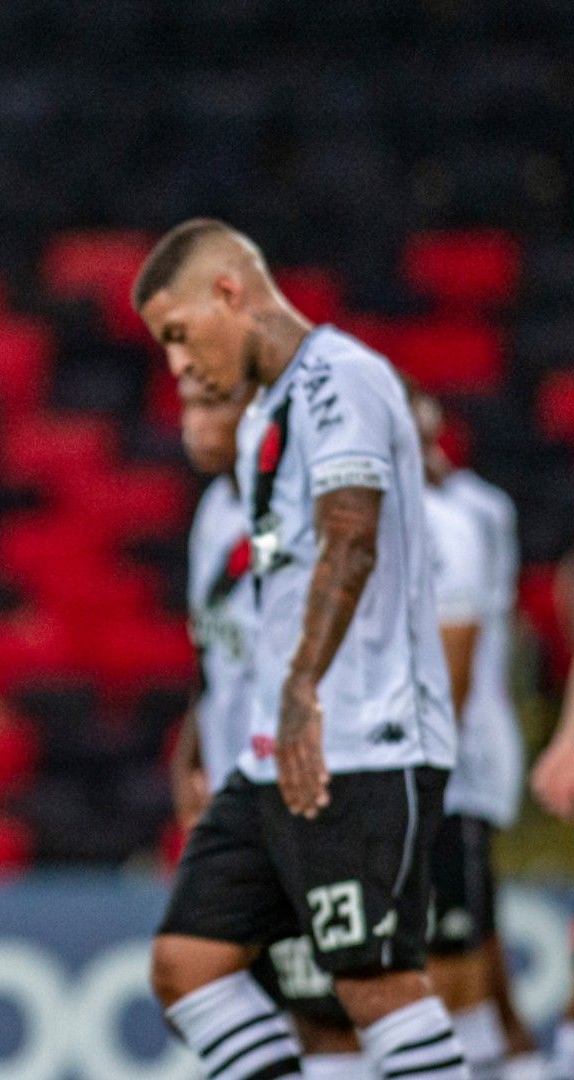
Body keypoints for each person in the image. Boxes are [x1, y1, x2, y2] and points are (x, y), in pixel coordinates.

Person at [138, 218, 468, 1080]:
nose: (177, 364)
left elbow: (351, 536)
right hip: (271, 757)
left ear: (229, 293)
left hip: (361, 741)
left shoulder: (341, 378)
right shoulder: (264, 422)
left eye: (179, 335)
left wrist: (300, 688)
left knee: (372, 987)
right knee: (187, 966)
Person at [172, 372, 369, 1078]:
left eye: (211, 406)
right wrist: (191, 761)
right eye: (189, 407)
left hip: (305, 798)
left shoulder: (302, 517)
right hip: (242, 795)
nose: (191, 423)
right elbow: (215, 657)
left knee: (330, 1020)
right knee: (244, 994)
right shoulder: (213, 514)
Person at [412, 385, 533, 1077]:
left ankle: (500, 1054)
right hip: (421, 759)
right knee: (469, 923)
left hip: (456, 763)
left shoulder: (471, 515)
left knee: (455, 936)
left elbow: (468, 645)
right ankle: (515, 1054)